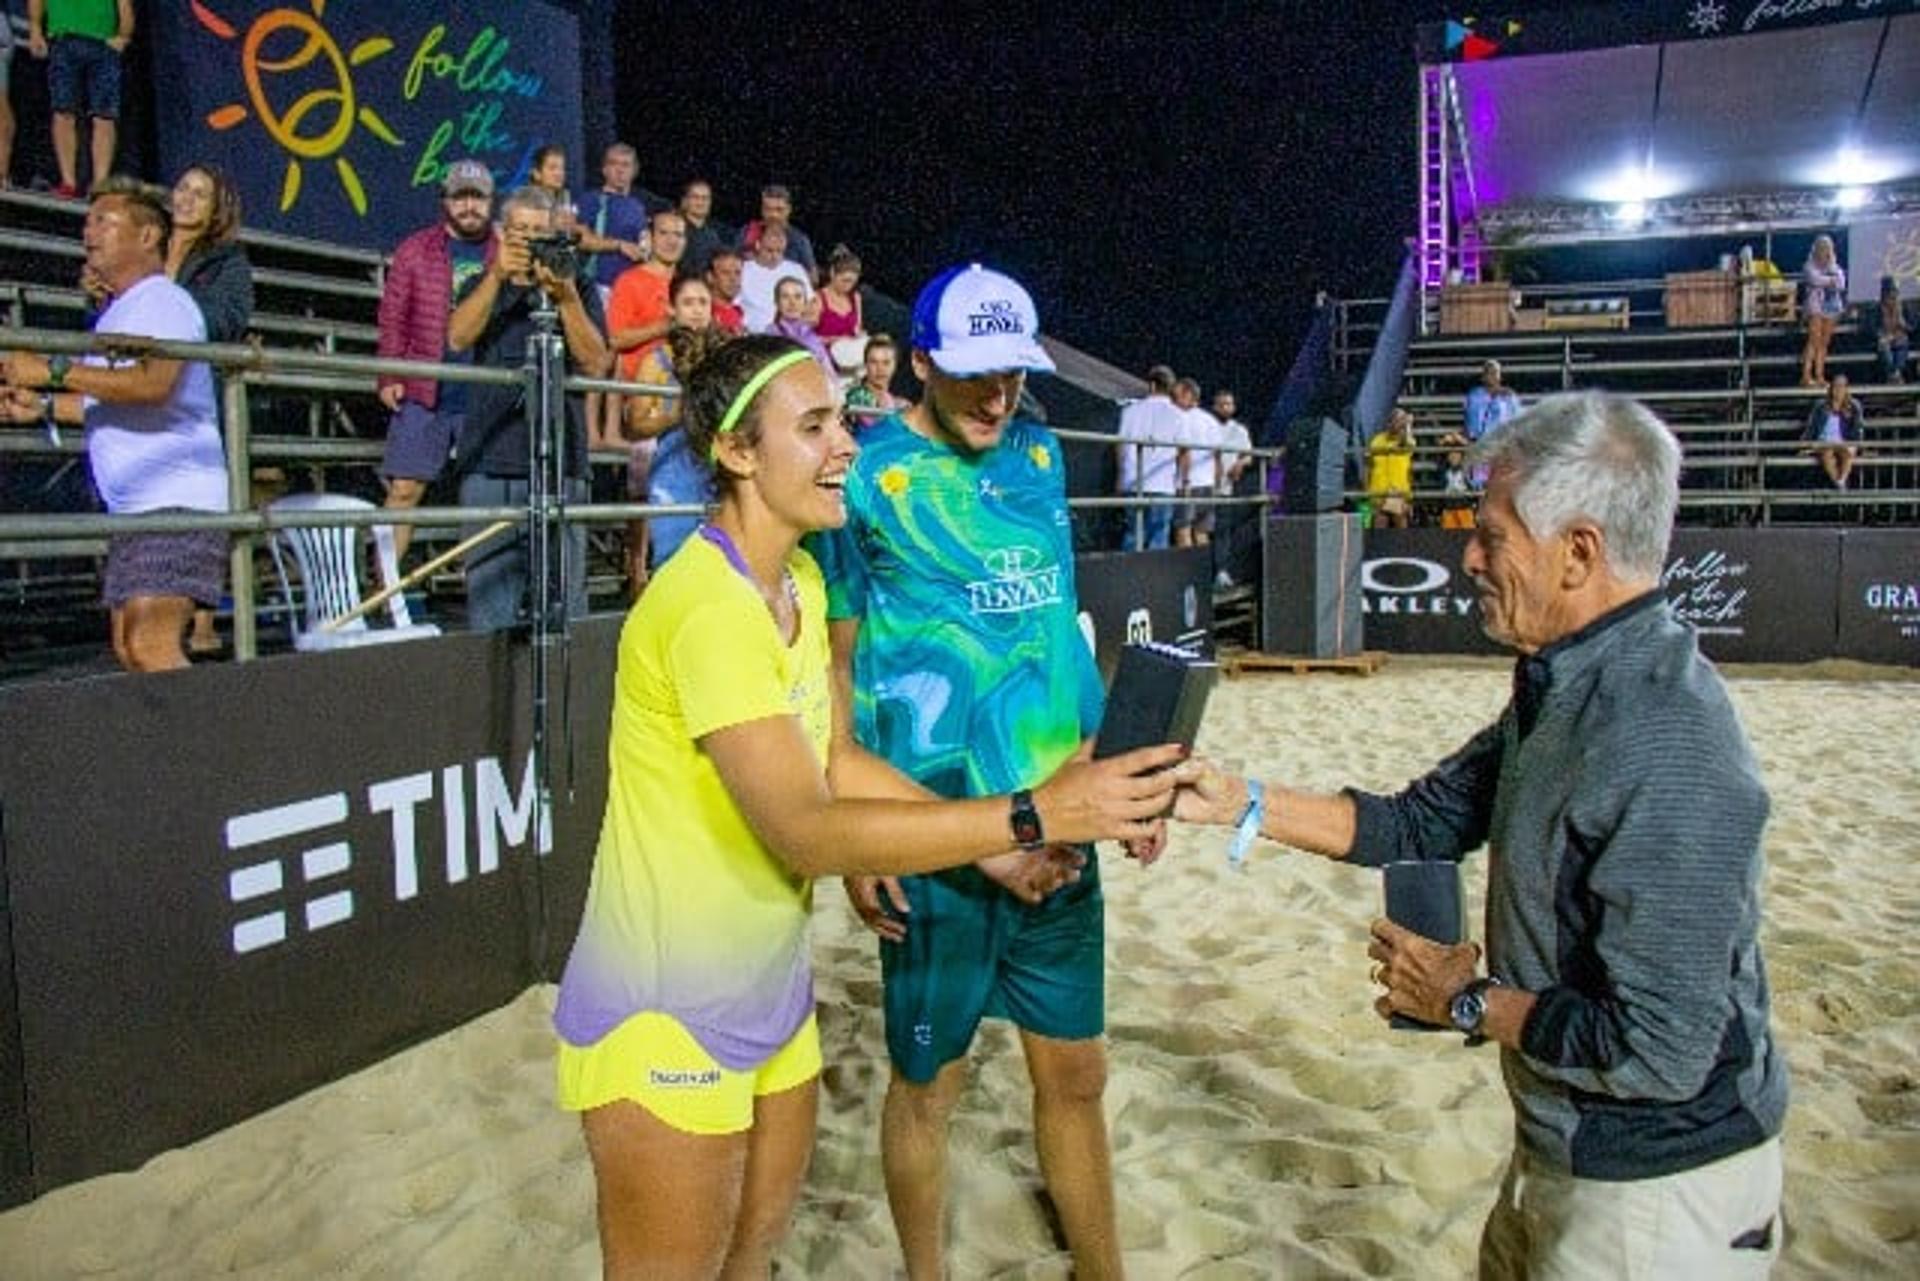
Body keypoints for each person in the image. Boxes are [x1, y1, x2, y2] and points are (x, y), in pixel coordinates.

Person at [551, 333, 1181, 1279]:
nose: (846, 444)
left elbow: (838, 758)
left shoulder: (797, 581)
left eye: (841, 419)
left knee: (753, 1254)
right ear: (736, 452)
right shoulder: (705, 609)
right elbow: (803, 828)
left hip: (768, 993)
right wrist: (1030, 816)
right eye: (813, 427)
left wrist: (1001, 849)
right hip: (663, 1012)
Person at [1173, 391, 1789, 1279]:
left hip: (1659, 1191)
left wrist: (1466, 1000)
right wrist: (1237, 799)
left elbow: (1660, 1049)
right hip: (1568, 1153)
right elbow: (1417, 819)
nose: (1466, 555)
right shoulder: (1568, 679)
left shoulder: (1666, 737)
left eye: (1491, 534)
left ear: (1578, 552)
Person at [810, 264, 1167, 1281]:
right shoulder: (865, 477)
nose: (997, 396)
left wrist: (1114, 773)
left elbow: (1054, 636)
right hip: (935, 836)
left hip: (1057, 829)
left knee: (1078, 1076)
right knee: (930, 1088)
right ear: (918, 361)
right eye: (973, 374)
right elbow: (835, 673)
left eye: (1012, 372)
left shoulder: (1041, 453)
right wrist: (853, 836)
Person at [1, 177, 226, 671]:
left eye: (104, 220)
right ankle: (176, 746)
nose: (89, 231)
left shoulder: (162, 301)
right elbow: (110, 400)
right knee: (131, 647)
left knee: (151, 644)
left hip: (176, 501)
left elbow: (153, 384)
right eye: (87, 221)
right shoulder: (119, 312)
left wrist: (52, 370)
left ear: (147, 236)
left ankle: (212, 747)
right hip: (137, 509)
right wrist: (39, 406)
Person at [446, 184, 609, 631]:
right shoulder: (481, 284)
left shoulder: (581, 287)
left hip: (562, 464)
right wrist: (498, 277)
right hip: (490, 464)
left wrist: (567, 296)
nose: (529, 241)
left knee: (567, 613)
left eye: (540, 232)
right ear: (502, 233)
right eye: (520, 231)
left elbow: (597, 362)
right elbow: (457, 337)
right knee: (490, 613)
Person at [375, 159, 496, 561]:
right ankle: (383, 594)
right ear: (444, 201)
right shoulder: (415, 250)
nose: (469, 206)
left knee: (487, 499)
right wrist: (390, 372)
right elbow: (393, 316)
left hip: (484, 393)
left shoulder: (505, 251)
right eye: (460, 196)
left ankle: (484, 590)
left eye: (477, 197)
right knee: (404, 491)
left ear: (491, 202)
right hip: (426, 388)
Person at [165, 162, 253, 657]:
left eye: (199, 193)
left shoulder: (227, 261)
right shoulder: (147, 251)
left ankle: (202, 616)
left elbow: (228, 317)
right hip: (143, 390)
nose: (186, 199)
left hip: (197, 393)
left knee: (200, 507)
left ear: (218, 206)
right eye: (182, 188)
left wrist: (167, 306)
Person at [621, 272, 723, 584]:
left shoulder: (725, 355)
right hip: (673, 473)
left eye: (703, 302)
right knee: (673, 566)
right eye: (688, 302)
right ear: (673, 309)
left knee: (720, 567)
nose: (696, 310)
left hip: (719, 472)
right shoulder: (657, 360)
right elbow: (636, 425)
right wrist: (678, 413)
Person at [28, 0, 132, 198]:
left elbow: (124, 3)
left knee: (104, 116)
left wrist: (123, 35)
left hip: (103, 43)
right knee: (63, 111)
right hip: (64, 38)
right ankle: (68, 181)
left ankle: (101, 183)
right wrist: (35, 29)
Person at [1114, 364, 1183, 550]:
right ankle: (1154, 578)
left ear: (1151, 385)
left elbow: (1120, 445)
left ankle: (1127, 575)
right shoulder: (1178, 415)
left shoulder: (1130, 411)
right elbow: (1182, 451)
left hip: (1133, 481)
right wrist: (1181, 481)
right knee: (1158, 535)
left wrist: (1120, 477)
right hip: (1162, 484)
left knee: (1132, 533)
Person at [1171, 375, 1218, 547]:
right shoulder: (1211, 420)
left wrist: (1185, 481)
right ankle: (1203, 572)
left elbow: (1185, 451)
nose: (1173, 399)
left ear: (1187, 394)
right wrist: (1216, 483)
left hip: (1188, 483)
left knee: (1183, 530)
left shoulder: (1181, 417)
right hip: (1208, 484)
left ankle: (1184, 572)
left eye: (1176, 395)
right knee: (1202, 532)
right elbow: (1216, 454)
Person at [737, 223, 810, 334]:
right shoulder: (742, 270)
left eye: (779, 251)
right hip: (753, 336)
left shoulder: (796, 270)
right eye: (769, 250)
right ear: (758, 245)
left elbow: (809, 303)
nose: (774, 256)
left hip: (789, 336)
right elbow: (733, 305)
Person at [736, 182, 816, 279]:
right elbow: (732, 265)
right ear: (761, 210)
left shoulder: (800, 240)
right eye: (768, 209)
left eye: (779, 210)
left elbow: (813, 278)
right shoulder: (746, 232)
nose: (773, 215)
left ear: (789, 210)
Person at [1801, 373, 1862, 490]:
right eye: (1835, 386)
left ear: (1846, 389)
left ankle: (1842, 480)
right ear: (1830, 389)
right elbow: (1811, 426)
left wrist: (1858, 446)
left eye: (1841, 387)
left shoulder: (1853, 407)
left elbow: (1856, 429)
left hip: (1843, 442)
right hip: (1824, 442)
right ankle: (1839, 485)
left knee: (1846, 454)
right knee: (1827, 453)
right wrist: (1804, 444)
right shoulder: (1820, 406)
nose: (1838, 390)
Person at [1800, 234, 1845, 387]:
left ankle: (1819, 375)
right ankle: (1806, 375)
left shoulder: (1835, 266)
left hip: (1832, 305)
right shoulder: (1809, 265)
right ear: (1816, 249)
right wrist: (1830, 280)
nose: (1825, 251)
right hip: (1816, 306)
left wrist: (1828, 280)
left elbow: (1841, 284)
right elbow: (1814, 279)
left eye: (1827, 248)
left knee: (1824, 342)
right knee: (1813, 339)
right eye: (1822, 247)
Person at [763, 276, 833, 375]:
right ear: (777, 303)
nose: (792, 303)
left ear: (805, 303)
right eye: (785, 297)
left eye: (798, 297)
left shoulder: (812, 336)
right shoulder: (771, 334)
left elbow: (829, 373)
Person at [1365, 407, 1416, 529]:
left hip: (1398, 491)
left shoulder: (1405, 440)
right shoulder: (1377, 440)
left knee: (1401, 530)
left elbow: (1408, 443)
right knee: (1379, 529)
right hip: (1379, 491)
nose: (1398, 423)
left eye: (1401, 420)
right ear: (1390, 422)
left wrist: (1408, 426)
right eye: (1396, 420)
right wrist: (1368, 490)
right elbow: (1369, 465)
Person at [843, 331, 906, 425]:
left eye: (886, 363)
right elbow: (877, 428)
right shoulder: (856, 397)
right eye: (873, 362)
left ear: (895, 366)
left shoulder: (891, 399)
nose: (880, 369)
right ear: (865, 365)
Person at [677, 177, 731, 275]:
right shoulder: (675, 229)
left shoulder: (712, 236)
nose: (700, 202)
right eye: (695, 197)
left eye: (705, 198)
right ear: (685, 201)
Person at [1871, 274, 1913, 385]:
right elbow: (1870, 327)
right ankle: (1894, 374)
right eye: (1889, 292)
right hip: (1884, 336)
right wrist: (1879, 334)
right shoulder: (1876, 308)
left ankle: (1895, 373)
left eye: (1894, 291)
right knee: (1884, 346)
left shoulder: (1904, 306)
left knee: (1902, 343)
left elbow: (1913, 326)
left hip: (1900, 335)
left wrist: (1905, 325)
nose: (1892, 295)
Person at [706, 246, 748, 337]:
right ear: (710, 277)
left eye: (737, 273)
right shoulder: (704, 314)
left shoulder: (738, 312)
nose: (733, 279)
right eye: (725, 273)